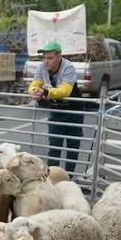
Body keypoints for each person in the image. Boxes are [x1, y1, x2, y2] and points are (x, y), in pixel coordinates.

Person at [29, 41, 83, 175]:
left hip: (73, 111)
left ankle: (69, 179)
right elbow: (34, 84)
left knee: (73, 147)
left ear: (59, 57)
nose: (46, 61)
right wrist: (34, 91)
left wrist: (45, 92)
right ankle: (52, 177)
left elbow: (65, 91)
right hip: (56, 110)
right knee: (54, 146)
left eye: (50, 58)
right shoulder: (42, 67)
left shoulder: (68, 67)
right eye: (44, 58)